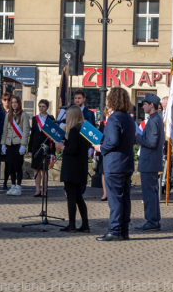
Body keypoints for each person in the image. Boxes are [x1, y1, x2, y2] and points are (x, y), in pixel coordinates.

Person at [93, 87, 136, 241]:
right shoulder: (129, 118)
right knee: (125, 198)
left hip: (115, 164)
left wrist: (100, 148)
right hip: (127, 163)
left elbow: (113, 141)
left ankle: (115, 229)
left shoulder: (113, 118)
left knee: (115, 199)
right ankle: (124, 230)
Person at [55, 106, 90, 233]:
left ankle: (72, 225)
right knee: (79, 197)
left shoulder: (74, 131)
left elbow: (73, 149)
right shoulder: (83, 130)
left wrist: (61, 146)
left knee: (71, 198)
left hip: (72, 169)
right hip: (80, 168)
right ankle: (85, 225)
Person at [134, 93, 164, 231]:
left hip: (149, 161)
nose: (143, 106)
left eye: (145, 104)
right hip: (152, 161)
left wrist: (137, 137)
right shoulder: (156, 119)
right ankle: (154, 220)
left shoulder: (153, 121)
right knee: (152, 192)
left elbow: (151, 142)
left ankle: (151, 221)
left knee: (149, 193)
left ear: (151, 105)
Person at [0, 95, 28, 195]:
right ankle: (12, 185)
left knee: (18, 166)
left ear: (19, 103)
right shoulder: (8, 115)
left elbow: (26, 131)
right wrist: (3, 144)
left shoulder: (24, 115)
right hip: (10, 143)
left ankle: (18, 186)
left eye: (16, 102)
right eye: (12, 102)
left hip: (18, 144)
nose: (14, 104)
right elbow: (5, 130)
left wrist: (23, 144)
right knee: (10, 166)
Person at [27, 99, 55, 197]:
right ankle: (37, 190)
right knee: (36, 169)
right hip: (36, 146)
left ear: (47, 107)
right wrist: (29, 149)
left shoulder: (51, 119)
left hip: (46, 146)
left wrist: (52, 151)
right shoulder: (35, 119)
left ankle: (44, 190)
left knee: (44, 170)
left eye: (43, 106)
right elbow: (33, 134)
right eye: (40, 106)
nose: (41, 108)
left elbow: (53, 136)